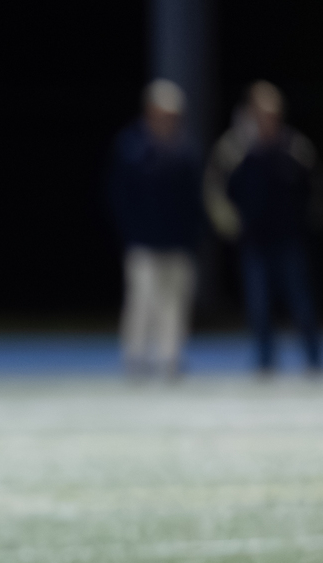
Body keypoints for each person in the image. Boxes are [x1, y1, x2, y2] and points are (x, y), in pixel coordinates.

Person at [205, 81, 321, 373]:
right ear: (251, 112)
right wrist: (230, 223)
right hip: (254, 242)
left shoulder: (294, 146)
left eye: (273, 112)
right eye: (261, 112)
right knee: (259, 306)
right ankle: (265, 361)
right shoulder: (235, 148)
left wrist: (308, 219)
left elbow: (314, 186)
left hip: (289, 240)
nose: (268, 118)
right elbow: (214, 187)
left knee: (301, 303)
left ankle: (313, 359)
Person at [105, 78, 206, 378]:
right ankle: (135, 357)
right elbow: (118, 193)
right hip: (144, 241)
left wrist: (194, 235)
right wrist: (131, 230)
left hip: (178, 242)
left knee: (175, 304)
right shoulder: (132, 146)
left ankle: (169, 357)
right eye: (163, 113)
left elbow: (194, 198)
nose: (169, 119)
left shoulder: (185, 149)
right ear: (150, 111)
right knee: (142, 302)